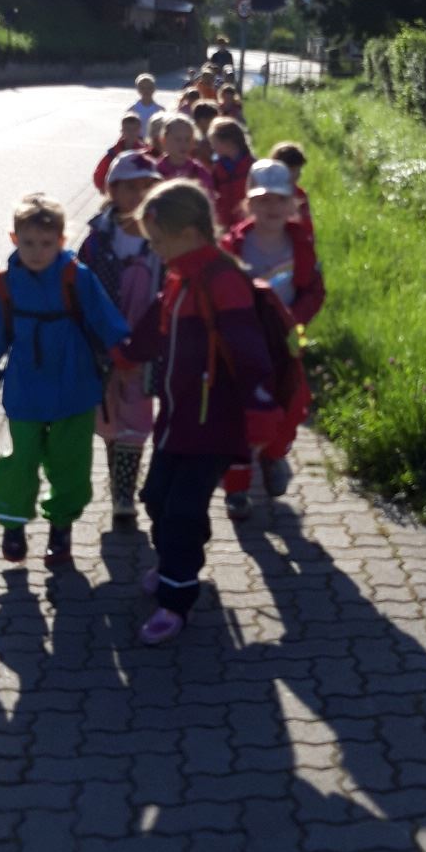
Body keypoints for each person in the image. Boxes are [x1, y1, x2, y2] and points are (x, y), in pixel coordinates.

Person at [118, 178, 278, 644]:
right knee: (156, 498)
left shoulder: (223, 281)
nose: (155, 250)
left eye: (159, 240)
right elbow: (154, 325)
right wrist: (126, 356)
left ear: (188, 233)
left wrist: (260, 415)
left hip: (214, 424)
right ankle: (175, 562)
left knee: (183, 510)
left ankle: (177, 596)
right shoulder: (180, 277)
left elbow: (249, 351)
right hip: (177, 419)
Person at [0, 194, 130, 569]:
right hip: (25, 391)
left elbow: (106, 320)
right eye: (28, 242)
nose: (36, 251)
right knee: (21, 460)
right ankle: (13, 523)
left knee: (70, 462)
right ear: (14, 239)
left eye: (46, 243)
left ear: (61, 240)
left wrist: (125, 357)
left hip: (74, 388)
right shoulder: (5, 286)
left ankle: (61, 527)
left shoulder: (77, 278)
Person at [219, 158, 325, 519]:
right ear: (249, 202)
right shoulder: (234, 245)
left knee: (291, 403)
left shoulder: (300, 244)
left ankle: (274, 454)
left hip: (284, 343)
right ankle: (236, 487)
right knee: (239, 414)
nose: (272, 207)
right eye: (263, 200)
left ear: (293, 203)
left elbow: (314, 290)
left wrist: (294, 319)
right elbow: (220, 290)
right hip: (243, 345)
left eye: (280, 199)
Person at [80, 151, 162, 528]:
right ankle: (119, 476)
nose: (138, 195)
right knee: (109, 417)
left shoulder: (161, 239)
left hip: (145, 345)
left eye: (147, 188)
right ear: (112, 190)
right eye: (130, 188)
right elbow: (81, 291)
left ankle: (124, 497)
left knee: (137, 417)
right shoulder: (98, 240)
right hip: (102, 346)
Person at [208, 117, 254, 229]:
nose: (212, 147)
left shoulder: (251, 166)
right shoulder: (217, 168)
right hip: (226, 223)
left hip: (249, 222)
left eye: (214, 143)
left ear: (227, 142)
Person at [150, 113, 214, 191]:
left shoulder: (198, 171)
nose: (183, 144)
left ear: (193, 142)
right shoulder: (155, 171)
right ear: (164, 141)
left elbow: (209, 194)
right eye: (178, 139)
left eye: (187, 139)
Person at [91, 111, 147, 193]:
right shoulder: (113, 153)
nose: (131, 133)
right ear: (122, 131)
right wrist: (105, 189)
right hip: (117, 195)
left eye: (134, 129)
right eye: (127, 129)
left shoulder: (145, 153)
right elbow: (99, 174)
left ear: (139, 131)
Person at [269, 140, 313, 224]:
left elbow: (307, 225)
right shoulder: (266, 194)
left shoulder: (300, 194)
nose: (297, 174)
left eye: (299, 169)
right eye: (291, 170)